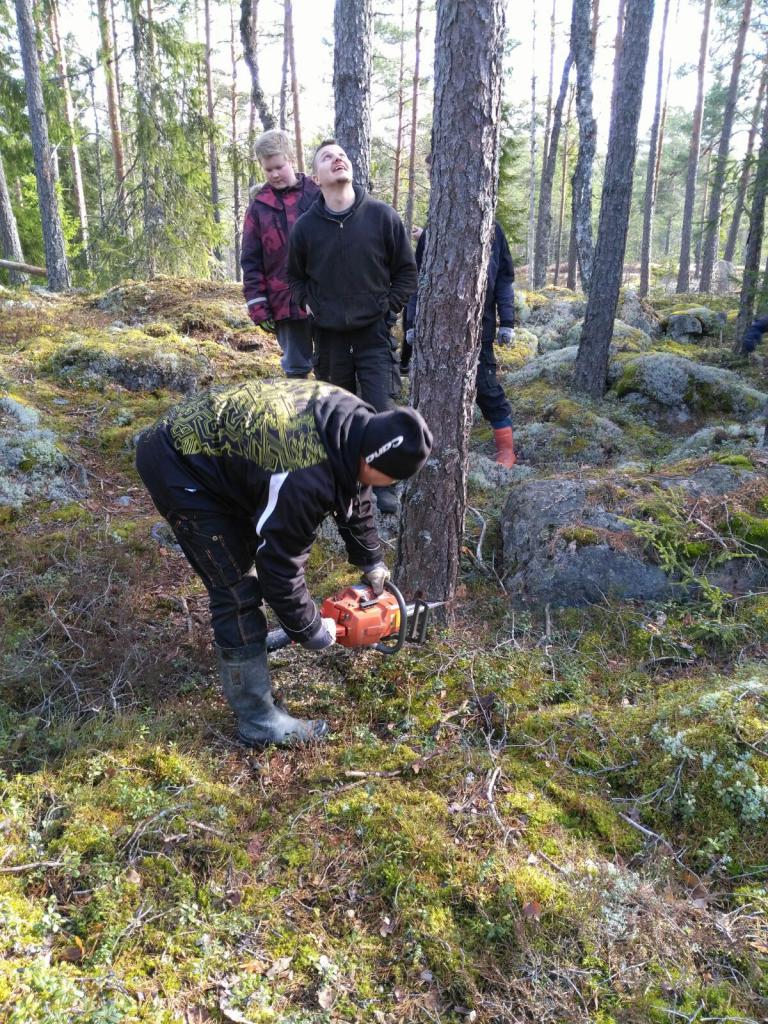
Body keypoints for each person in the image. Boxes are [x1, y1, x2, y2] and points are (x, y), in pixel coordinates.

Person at [135, 379, 432, 748]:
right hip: (177, 464)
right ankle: (257, 720)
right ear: (372, 458)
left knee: (252, 552)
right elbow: (279, 565)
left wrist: (371, 559)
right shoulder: (303, 474)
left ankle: (260, 643)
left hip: (226, 454)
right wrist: (309, 629)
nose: (388, 484)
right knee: (237, 585)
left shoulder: (358, 425)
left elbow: (357, 489)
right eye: (390, 477)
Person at [287, 140, 418, 514]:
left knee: (379, 407)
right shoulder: (306, 228)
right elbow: (293, 278)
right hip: (327, 338)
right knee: (336, 413)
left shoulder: (381, 216)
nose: (337, 159)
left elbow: (406, 273)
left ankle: (384, 484)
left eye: (341, 155)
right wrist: (307, 302)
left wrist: (387, 309)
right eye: (327, 158)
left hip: (373, 335)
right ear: (316, 178)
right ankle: (343, 484)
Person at [241, 130, 320, 379]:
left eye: (279, 166)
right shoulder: (258, 208)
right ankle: (301, 415)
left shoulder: (316, 193)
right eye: (268, 169)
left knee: (332, 366)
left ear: (291, 160)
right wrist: (258, 305)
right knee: (296, 368)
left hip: (323, 299)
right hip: (283, 304)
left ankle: (332, 417)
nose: (274, 174)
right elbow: (250, 260)